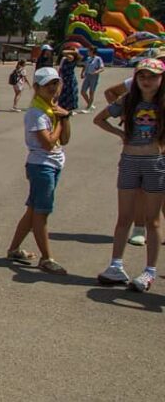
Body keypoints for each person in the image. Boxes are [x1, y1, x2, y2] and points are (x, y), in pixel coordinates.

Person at [93, 58, 165, 292]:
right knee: (124, 217)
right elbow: (99, 118)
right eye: (142, 76)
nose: (147, 81)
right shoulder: (128, 101)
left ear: (161, 79)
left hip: (155, 162)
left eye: (152, 76)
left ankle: (149, 271)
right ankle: (116, 266)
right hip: (130, 161)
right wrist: (119, 134)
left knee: (152, 220)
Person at [5, 67, 71, 274]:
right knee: (41, 213)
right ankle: (46, 257)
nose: (52, 88)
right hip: (42, 165)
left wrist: (65, 117)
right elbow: (48, 143)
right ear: (36, 88)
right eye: (47, 84)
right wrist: (61, 120)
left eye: (55, 83)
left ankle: (14, 248)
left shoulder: (53, 108)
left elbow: (65, 140)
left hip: (53, 163)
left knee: (33, 210)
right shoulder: (37, 112)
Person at [57, 48, 80, 113]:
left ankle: (69, 109)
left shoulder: (72, 58)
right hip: (64, 77)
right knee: (63, 93)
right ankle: (64, 108)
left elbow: (63, 51)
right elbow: (60, 68)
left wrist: (73, 51)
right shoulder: (65, 59)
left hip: (69, 79)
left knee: (69, 93)